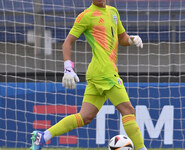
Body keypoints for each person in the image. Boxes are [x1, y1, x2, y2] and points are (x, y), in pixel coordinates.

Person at [30, 0, 146, 150]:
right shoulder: (86, 16)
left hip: (98, 73)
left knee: (85, 117)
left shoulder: (113, 12)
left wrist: (131, 40)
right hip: (105, 73)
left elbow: (122, 38)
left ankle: (43, 136)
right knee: (128, 110)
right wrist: (67, 68)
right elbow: (67, 43)